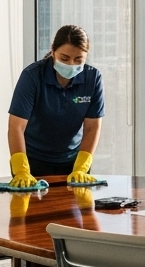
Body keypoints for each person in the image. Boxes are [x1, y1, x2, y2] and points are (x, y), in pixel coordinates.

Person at [7, 24, 105, 187]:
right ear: (53, 51)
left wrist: (81, 168)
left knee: (75, 210)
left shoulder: (92, 78)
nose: (71, 64)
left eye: (78, 59)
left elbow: (92, 128)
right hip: (32, 162)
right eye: (64, 58)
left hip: (73, 163)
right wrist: (22, 170)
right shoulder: (32, 76)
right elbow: (16, 127)